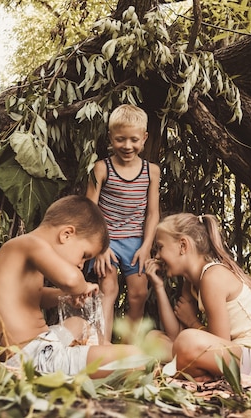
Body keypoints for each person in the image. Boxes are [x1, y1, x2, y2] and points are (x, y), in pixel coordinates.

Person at [0, 195, 145, 378]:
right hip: (36, 357)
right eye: (84, 255)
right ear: (66, 235)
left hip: (37, 348)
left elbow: (35, 296)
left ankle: (99, 352)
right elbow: (71, 280)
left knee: (78, 323)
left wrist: (65, 296)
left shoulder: (21, 251)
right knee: (136, 358)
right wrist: (82, 286)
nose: (81, 264)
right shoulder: (30, 244)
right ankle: (26, 373)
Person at [144, 213, 251, 381]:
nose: (157, 256)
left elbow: (219, 343)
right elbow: (174, 335)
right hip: (233, 355)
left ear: (183, 246)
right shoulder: (192, 282)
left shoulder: (212, 277)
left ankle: (186, 373)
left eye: (160, 247)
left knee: (188, 341)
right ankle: (191, 372)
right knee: (153, 339)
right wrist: (158, 287)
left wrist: (193, 322)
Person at [86, 104, 161, 341]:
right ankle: (103, 349)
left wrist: (146, 246)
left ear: (144, 139)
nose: (127, 146)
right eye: (120, 139)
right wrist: (100, 248)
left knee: (138, 295)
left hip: (135, 242)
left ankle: (127, 350)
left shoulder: (152, 172)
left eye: (134, 140)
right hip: (106, 240)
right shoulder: (101, 169)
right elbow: (89, 210)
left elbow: (152, 214)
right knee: (108, 290)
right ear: (110, 137)